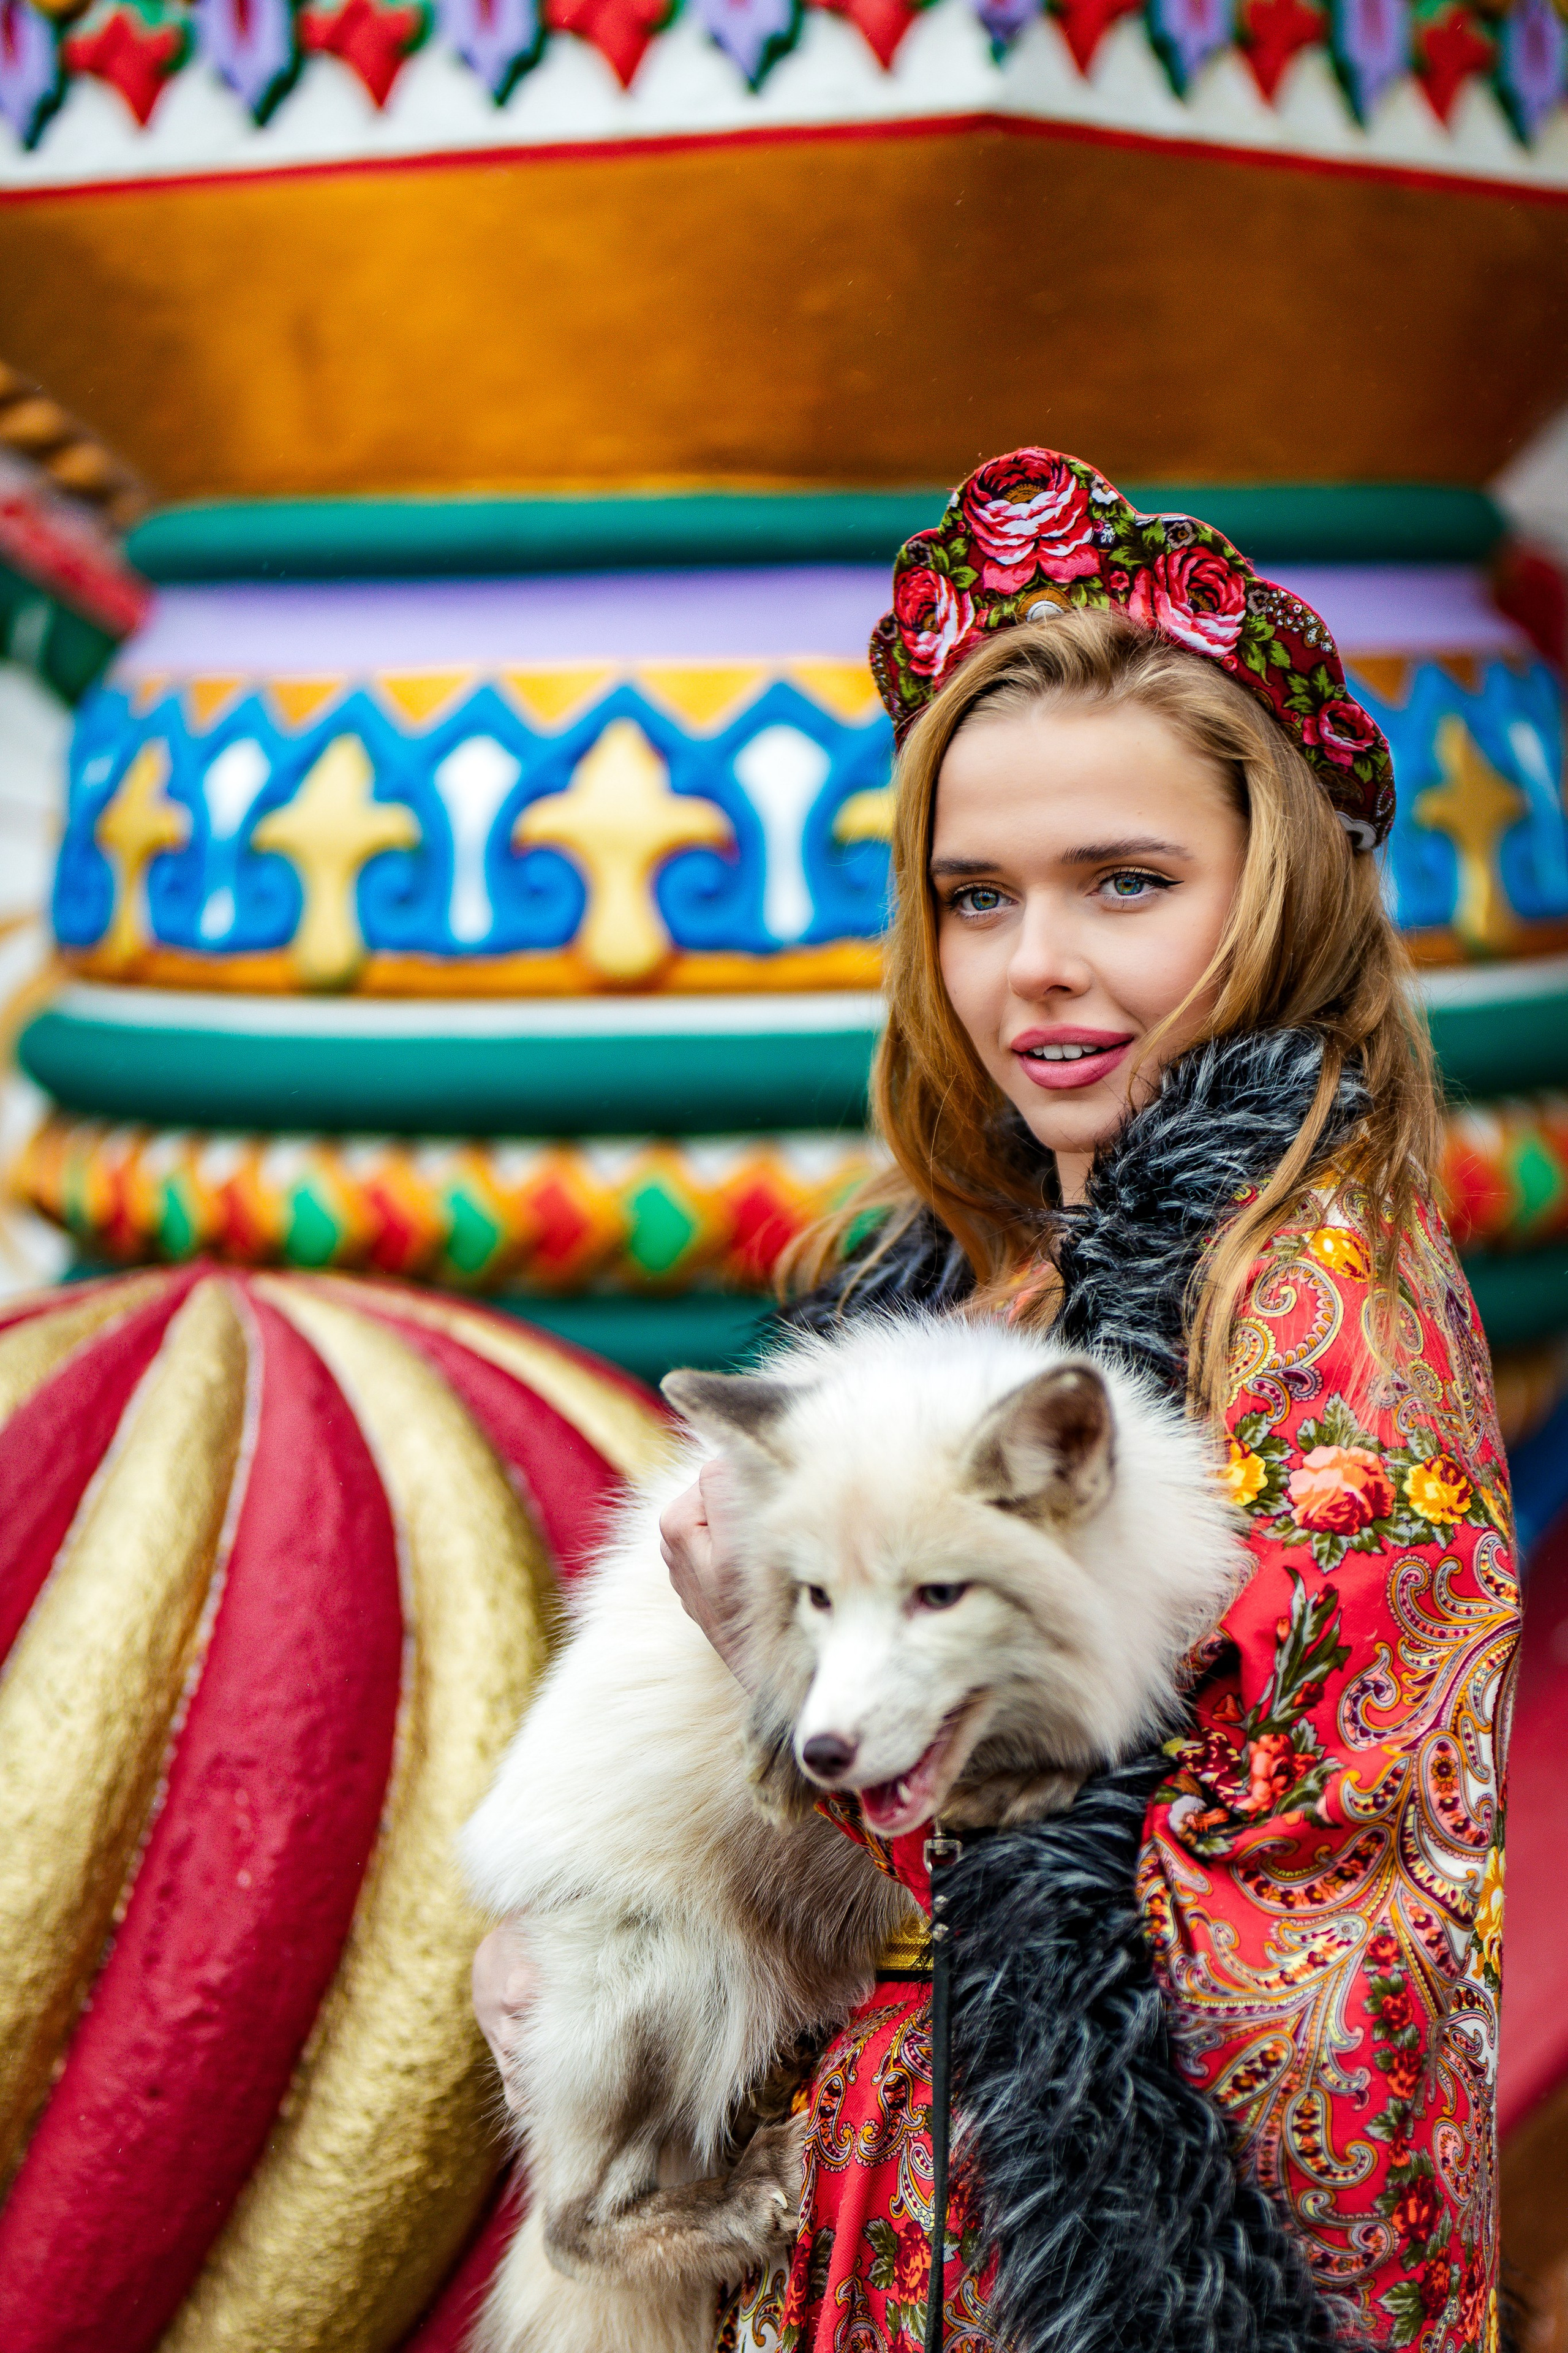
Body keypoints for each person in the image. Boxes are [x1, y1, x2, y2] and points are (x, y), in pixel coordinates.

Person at [475, 450, 1518, 2353]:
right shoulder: (974, 1273)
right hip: (875, 2194)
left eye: (1127, 883)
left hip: (1064, 2266)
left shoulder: (1311, 1308)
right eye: (974, 896)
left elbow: (1303, 1939)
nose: (1036, 966)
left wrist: (797, 1691)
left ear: (1274, 892)